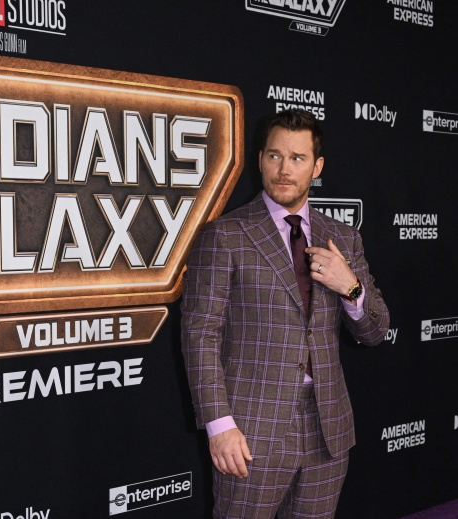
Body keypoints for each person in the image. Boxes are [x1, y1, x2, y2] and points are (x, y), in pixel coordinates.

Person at [180, 109, 390, 519]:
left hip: (327, 428)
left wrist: (349, 286)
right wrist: (219, 425)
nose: (284, 169)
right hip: (250, 430)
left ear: (317, 167)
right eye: (275, 156)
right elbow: (200, 335)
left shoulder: (343, 238)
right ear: (260, 159)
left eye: (297, 158)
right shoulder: (225, 235)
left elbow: (375, 330)